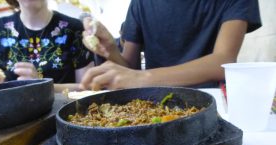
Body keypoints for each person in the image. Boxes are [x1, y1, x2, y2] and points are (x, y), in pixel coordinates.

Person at [81, 0, 261, 91]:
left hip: (211, 103)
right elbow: (130, 68)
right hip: (151, 104)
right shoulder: (142, 3)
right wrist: (111, 49)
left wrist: (141, 78)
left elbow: (224, 61)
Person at [0, 0, 94, 92]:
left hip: (59, 115)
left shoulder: (74, 28)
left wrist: (42, 85)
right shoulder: (0, 27)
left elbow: (87, 88)